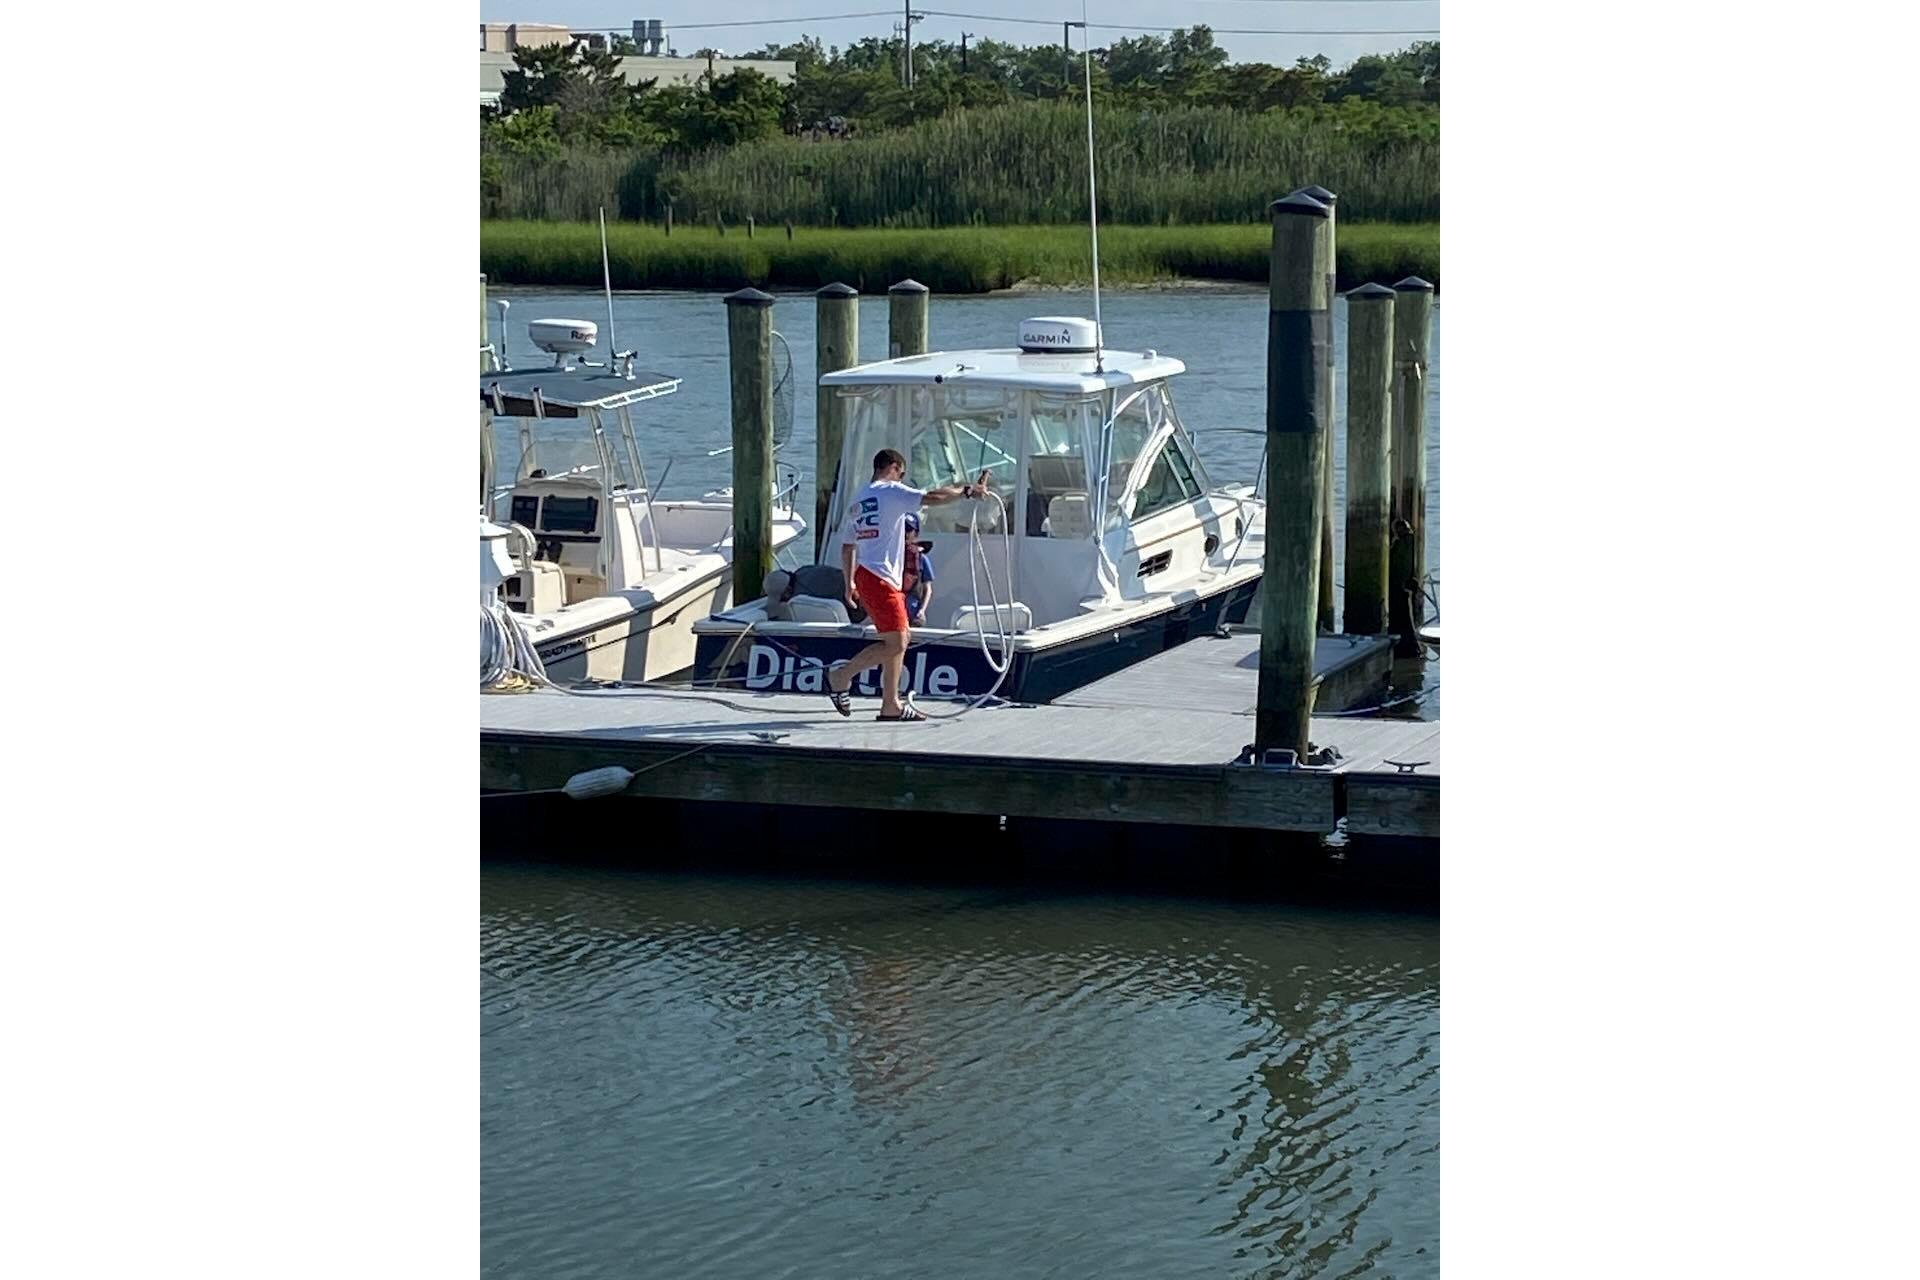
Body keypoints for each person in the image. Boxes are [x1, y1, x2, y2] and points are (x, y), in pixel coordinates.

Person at [827, 449, 987, 721]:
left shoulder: (860, 496)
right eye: (901, 474)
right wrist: (967, 491)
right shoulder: (891, 491)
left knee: (896, 639)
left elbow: (847, 546)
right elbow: (932, 497)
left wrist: (849, 582)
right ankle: (841, 676)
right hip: (878, 578)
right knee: (898, 641)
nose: (902, 479)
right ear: (893, 467)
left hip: (871, 576)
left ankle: (891, 705)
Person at [901, 512, 935, 626]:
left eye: (908, 530)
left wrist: (922, 610)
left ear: (916, 533)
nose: (905, 534)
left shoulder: (921, 559)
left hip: (913, 612)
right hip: (894, 612)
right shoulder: (890, 557)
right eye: (902, 530)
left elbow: (927, 588)